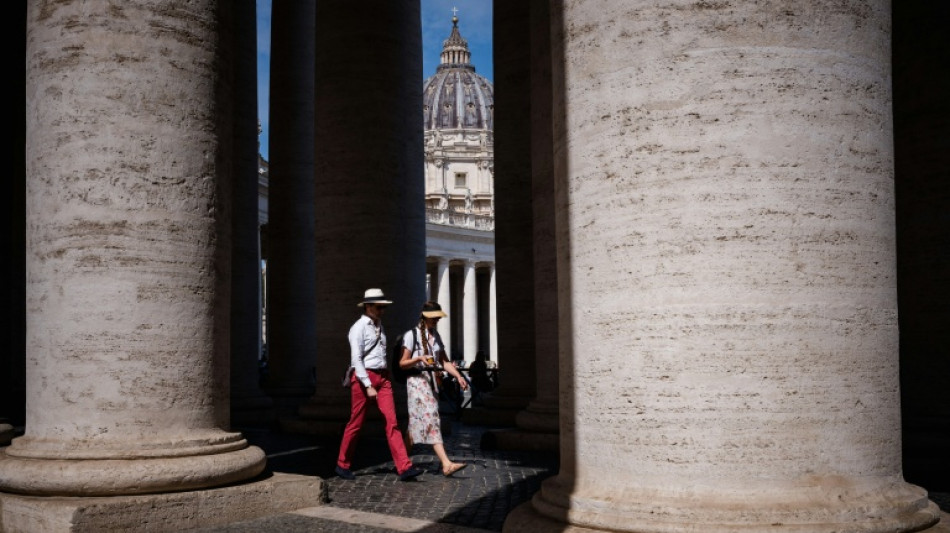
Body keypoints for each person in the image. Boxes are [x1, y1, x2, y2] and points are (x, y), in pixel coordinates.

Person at [336, 288, 423, 482]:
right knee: (356, 423)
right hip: (363, 378)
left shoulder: (380, 326)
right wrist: (367, 384)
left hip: (383, 378)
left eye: (383, 307)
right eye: (379, 307)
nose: (382, 310)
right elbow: (356, 359)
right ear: (368, 307)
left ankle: (404, 467)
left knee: (392, 423)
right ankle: (342, 464)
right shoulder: (357, 328)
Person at [399, 301, 468, 477]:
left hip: (431, 383)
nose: (437, 319)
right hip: (416, 383)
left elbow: (444, 361)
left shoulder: (435, 336)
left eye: (438, 316)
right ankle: (446, 464)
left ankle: (402, 462)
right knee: (432, 418)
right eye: (434, 317)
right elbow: (402, 363)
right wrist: (419, 358)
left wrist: (459, 376)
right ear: (425, 317)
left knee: (414, 426)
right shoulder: (411, 335)